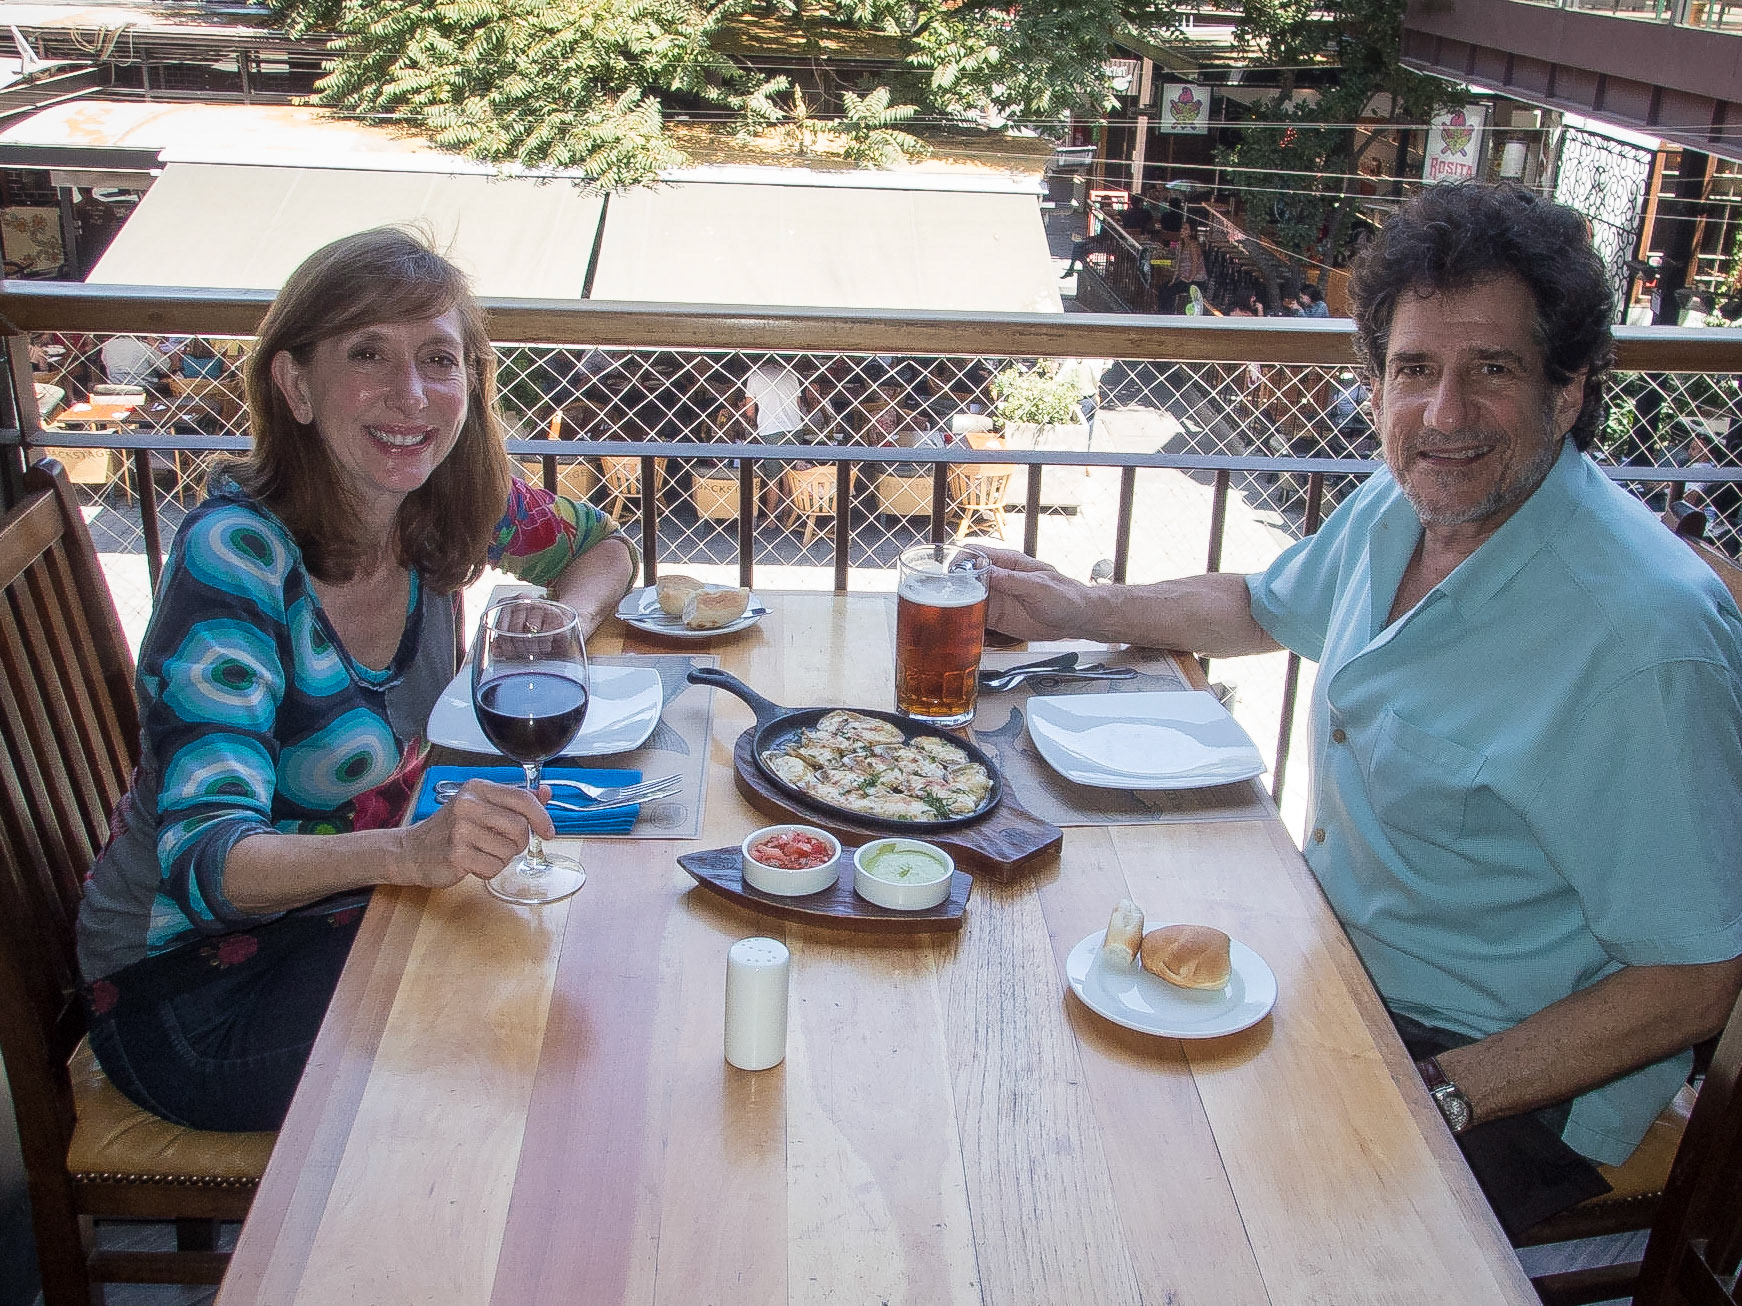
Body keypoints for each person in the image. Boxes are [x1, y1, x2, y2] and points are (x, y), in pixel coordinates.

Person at [981, 181, 1742, 1236]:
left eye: (1492, 371)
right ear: (1374, 382)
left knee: (1170, 1215)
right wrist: (1069, 603)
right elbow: (1256, 603)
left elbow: (1691, 979)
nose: (1442, 414)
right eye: (1414, 370)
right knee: (1043, 1049)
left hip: (1498, 1070)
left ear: (1565, 394)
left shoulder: (1641, 641)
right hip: (1326, 967)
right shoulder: (1403, 505)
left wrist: (1436, 1091)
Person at [75, 227, 638, 1133]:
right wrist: (409, 855)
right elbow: (209, 861)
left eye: (437, 358)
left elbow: (605, 545)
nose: (410, 393)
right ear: (294, 385)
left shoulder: (440, 500)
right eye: (367, 353)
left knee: (588, 961)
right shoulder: (236, 558)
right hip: (191, 989)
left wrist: (562, 621)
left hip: (348, 912)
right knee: (529, 1031)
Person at [100, 333, 172, 391]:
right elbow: (166, 368)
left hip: (116, 388)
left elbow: (105, 363)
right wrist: (155, 345)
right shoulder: (144, 347)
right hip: (146, 389)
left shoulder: (107, 346)